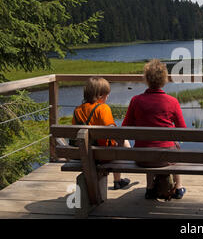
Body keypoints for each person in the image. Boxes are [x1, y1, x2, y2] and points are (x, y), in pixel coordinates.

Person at [122, 59, 187, 200]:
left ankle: (150, 188)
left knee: (147, 145)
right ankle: (179, 187)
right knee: (176, 147)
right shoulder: (172, 101)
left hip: (142, 158)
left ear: (146, 79)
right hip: (166, 159)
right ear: (164, 79)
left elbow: (124, 128)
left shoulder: (135, 100)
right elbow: (183, 130)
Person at [73, 76, 131, 190]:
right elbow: (111, 132)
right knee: (123, 143)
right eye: (106, 94)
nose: (108, 97)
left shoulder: (77, 110)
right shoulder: (103, 109)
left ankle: (116, 180)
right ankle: (117, 180)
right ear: (100, 95)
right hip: (103, 155)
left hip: (84, 154)